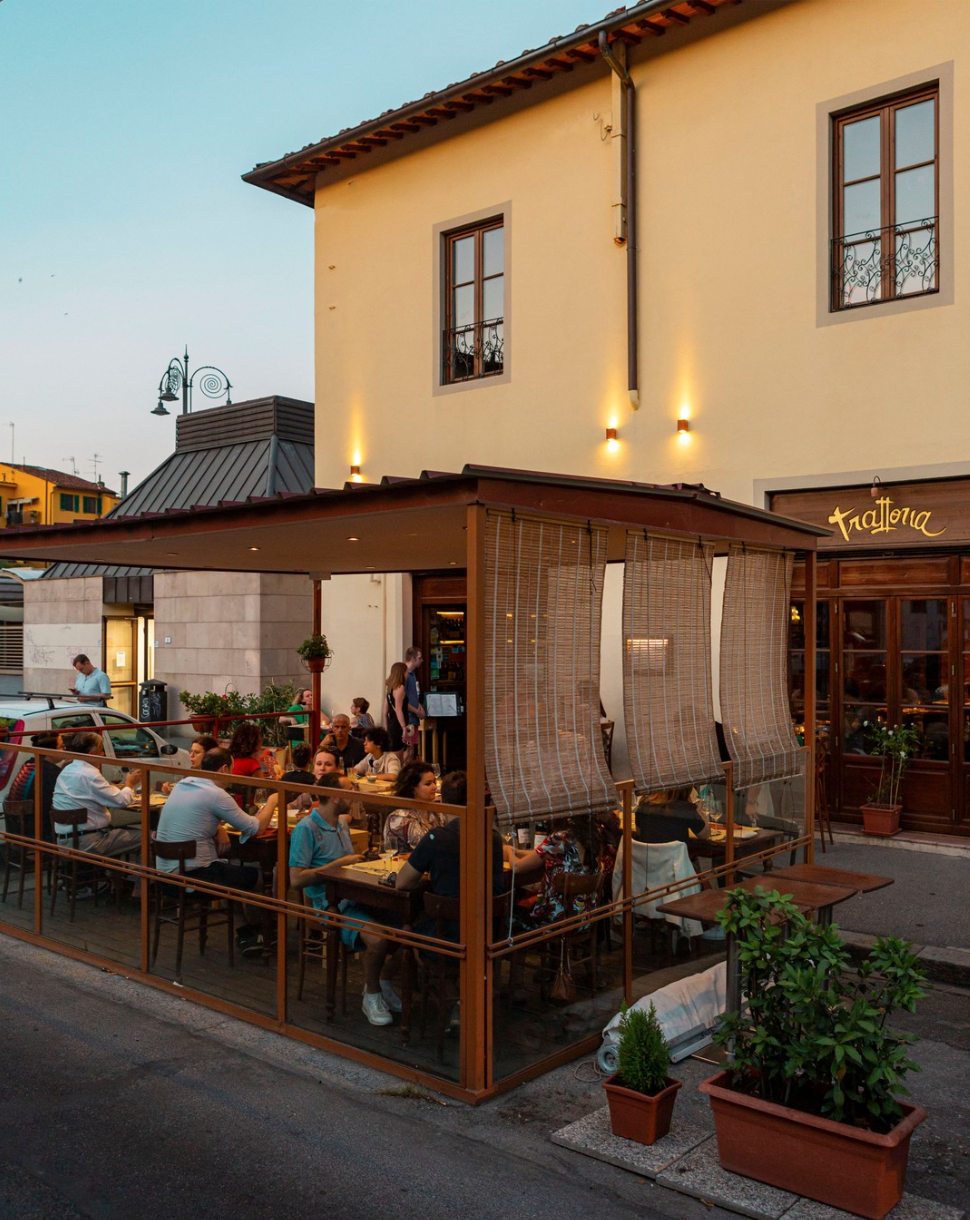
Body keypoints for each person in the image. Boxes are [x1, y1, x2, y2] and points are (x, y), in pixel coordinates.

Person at [288, 773, 401, 1027]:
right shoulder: (306, 829)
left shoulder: (341, 824)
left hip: (354, 897)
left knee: (411, 928)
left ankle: (381, 981)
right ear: (335, 796)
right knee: (378, 939)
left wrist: (363, 859)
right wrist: (339, 864)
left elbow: (347, 865)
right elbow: (296, 879)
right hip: (328, 905)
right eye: (349, 790)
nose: (353, 795)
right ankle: (372, 995)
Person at [155, 748, 279, 956]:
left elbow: (199, 816)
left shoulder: (184, 785)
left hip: (163, 877)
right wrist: (274, 800)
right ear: (224, 769)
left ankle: (247, 933)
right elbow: (256, 828)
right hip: (191, 879)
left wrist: (219, 828)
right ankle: (266, 931)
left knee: (229, 874)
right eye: (232, 769)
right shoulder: (216, 794)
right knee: (264, 878)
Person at [51, 731, 140, 859]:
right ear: (91, 754)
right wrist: (129, 784)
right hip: (89, 842)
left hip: (64, 842)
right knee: (149, 837)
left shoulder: (67, 770)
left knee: (123, 831)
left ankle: (113, 870)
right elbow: (121, 801)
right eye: (101, 750)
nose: (103, 754)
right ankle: (144, 873)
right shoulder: (89, 774)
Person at [513, 814, 606, 927]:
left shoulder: (560, 838)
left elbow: (517, 867)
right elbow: (541, 853)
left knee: (513, 908)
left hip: (555, 921)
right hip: (586, 920)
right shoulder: (595, 836)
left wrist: (508, 851)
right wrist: (517, 852)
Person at [383, 761, 443, 852]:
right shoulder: (400, 817)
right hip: (403, 861)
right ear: (413, 788)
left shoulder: (435, 812)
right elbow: (427, 844)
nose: (435, 787)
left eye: (434, 782)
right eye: (428, 784)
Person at [634, 787, 712, 846]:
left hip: (649, 861)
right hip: (676, 862)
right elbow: (705, 835)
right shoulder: (686, 808)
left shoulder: (645, 805)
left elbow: (639, 832)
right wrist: (698, 811)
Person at [403, 646, 425, 755]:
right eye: (420, 658)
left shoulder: (413, 674)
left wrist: (419, 706)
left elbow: (412, 696)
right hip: (408, 718)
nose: (422, 660)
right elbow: (403, 700)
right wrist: (417, 711)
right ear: (413, 659)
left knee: (412, 750)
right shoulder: (405, 675)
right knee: (408, 750)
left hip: (413, 718)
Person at [384, 662, 408, 755]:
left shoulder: (390, 689)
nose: (407, 674)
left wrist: (386, 728)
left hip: (391, 725)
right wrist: (404, 727)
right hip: (398, 726)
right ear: (402, 673)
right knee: (398, 757)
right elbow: (398, 709)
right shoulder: (400, 688)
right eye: (406, 672)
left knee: (405, 752)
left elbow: (385, 711)